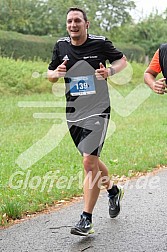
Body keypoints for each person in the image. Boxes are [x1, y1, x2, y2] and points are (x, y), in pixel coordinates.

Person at [47, 7, 127, 236]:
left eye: (77, 21)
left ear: (86, 24)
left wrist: (110, 72)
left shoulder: (100, 43)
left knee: (88, 164)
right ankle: (113, 191)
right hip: (73, 111)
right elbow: (50, 73)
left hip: (98, 109)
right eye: (70, 21)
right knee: (89, 161)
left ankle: (86, 219)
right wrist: (57, 74)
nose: (73, 25)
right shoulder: (61, 46)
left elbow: (122, 60)